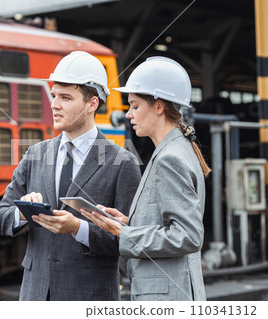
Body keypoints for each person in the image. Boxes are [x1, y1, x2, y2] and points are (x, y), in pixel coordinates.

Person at [0, 51, 141, 301]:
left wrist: (78, 228)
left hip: (89, 296)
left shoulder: (122, 162)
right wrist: (21, 212)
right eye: (54, 96)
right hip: (36, 295)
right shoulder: (35, 154)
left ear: (91, 103)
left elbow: (131, 239)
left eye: (65, 97)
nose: (54, 105)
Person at [81, 56, 211, 301]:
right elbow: (168, 223)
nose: (129, 114)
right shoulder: (175, 149)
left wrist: (123, 233)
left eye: (135, 105)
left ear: (159, 106)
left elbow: (188, 235)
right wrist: (128, 222)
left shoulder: (169, 158)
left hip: (166, 296)